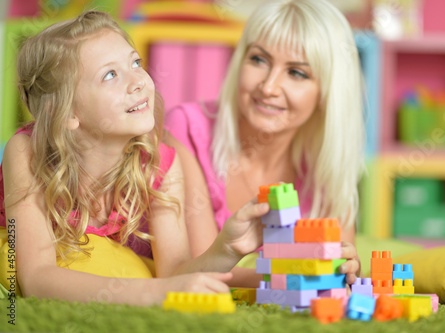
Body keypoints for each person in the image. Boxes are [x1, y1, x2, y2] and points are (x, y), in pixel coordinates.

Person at [0, 11, 269, 305]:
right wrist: (158, 294)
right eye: (110, 75)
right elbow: (36, 278)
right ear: (68, 114)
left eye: (135, 63)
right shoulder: (25, 152)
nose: (139, 81)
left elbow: (175, 272)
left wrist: (226, 250)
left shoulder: (160, 163)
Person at [164, 0, 365, 287]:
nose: (268, 87)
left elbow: (341, 269)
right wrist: (298, 278)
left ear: (327, 93)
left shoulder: (326, 168)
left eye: (297, 73)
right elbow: (200, 270)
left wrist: (343, 270)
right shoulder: (185, 128)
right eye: (259, 59)